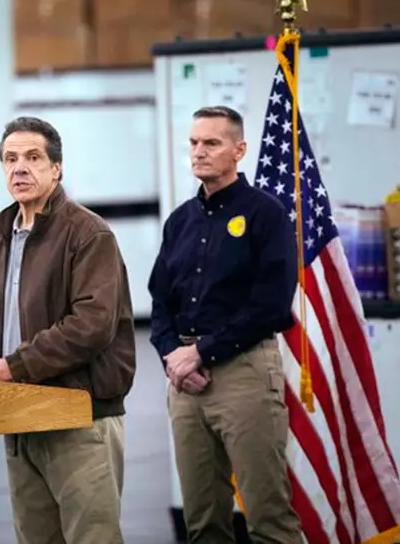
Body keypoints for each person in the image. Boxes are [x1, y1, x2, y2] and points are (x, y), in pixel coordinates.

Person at [0, 116, 137, 544]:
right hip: (19, 416)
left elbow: (90, 326)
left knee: (93, 538)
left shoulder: (89, 233)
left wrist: (13, 366)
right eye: (10, 159)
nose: (20, 168)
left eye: (33, 157)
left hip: (80, 417)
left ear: (57, 168)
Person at [149, 106, 302, 544]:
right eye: (194, 143)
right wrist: (172, 356)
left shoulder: (266, 215)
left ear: (239, 150)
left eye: (211, 143)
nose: (199, 152)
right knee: (202, 523)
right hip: (184, 379)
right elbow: (161, 302)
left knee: (269, 517)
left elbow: (270, 305)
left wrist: (201, 352)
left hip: (244, 373)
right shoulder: (180, 221)